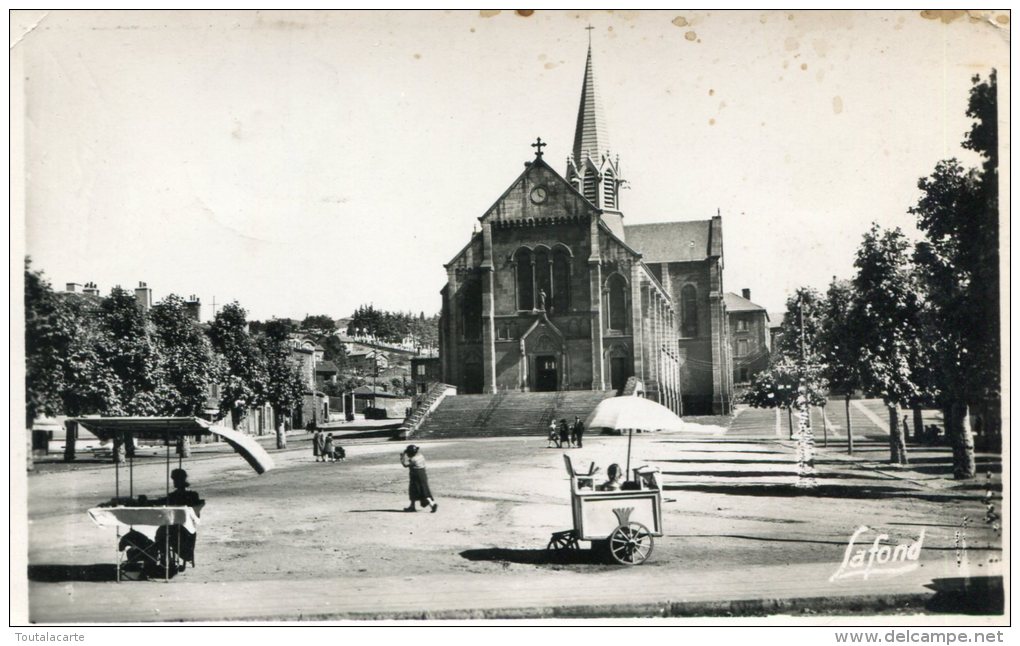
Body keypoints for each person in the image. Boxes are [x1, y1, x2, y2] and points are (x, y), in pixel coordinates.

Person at [154, 469, 203, 570]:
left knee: (162, 532)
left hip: (183, 531)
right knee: (163, 530)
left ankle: (166, 559)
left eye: (175, 480)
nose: (175, 482)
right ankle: (167, 559)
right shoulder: (192, 495)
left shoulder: (177, 496)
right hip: (186, 530)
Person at [400, 445, 437, 512]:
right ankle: (412, 506)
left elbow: (405, 465)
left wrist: (402, 457)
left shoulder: (413, 459)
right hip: (422, 473)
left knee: (417, 490)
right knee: (423, 489)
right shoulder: (421, 456)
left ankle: (432, 504)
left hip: (416, 475)